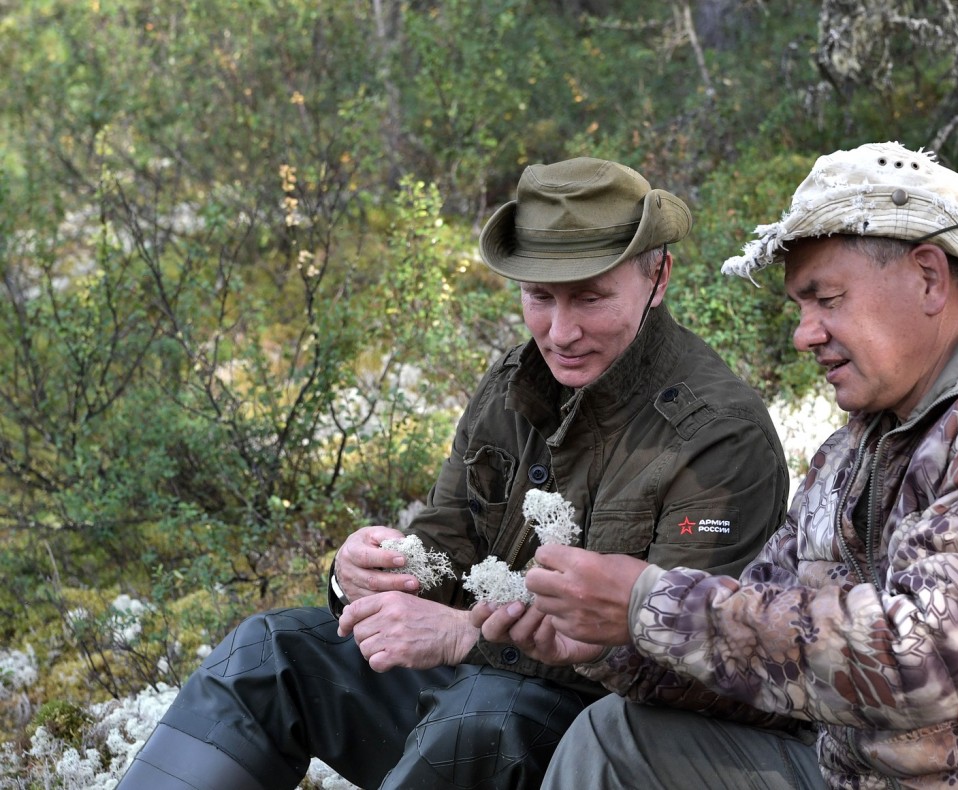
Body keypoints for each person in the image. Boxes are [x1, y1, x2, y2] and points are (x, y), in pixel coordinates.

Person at [475, 142, 958, 786]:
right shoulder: (858, 451)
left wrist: (651, 603)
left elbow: (937, 656)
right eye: (800, 308)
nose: (805, 334)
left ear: (927, 275)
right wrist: (613, 642)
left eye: (827, 299)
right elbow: (769, 656)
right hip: (894, 770)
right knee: (620, 740)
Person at [117, 157, 791, 790]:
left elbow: (692, 664)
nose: (559, 332)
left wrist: (466, 635)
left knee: (482, 721)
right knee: (268, 655)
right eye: (537, 297)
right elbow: (447, 544)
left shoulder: (719, 435)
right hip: (471, 690)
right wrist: (365, 573)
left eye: (589, 298)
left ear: (659, 277)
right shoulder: (515, 384)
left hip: (589, 737)